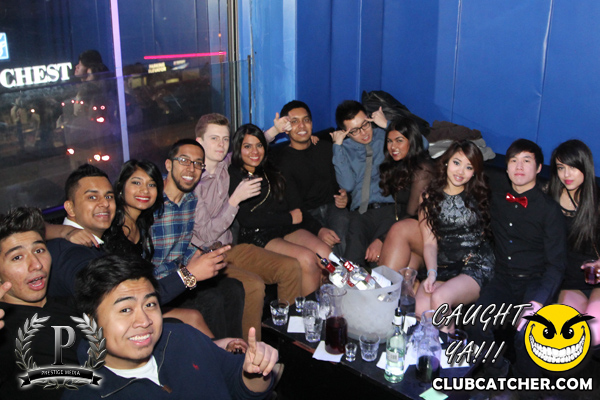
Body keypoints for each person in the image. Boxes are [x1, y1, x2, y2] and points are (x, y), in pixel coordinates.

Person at [65, 254, 277, 400]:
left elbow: (241, 387)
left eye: (150, 304)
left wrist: (256, 370)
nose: (144, 321)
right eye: (125, 310)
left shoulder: (181, 337)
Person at [192, 113, 302, 341]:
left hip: (230, 248)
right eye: (214, 139)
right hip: (205, 256)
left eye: (225, 139)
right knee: (254, 285)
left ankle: (289, 342)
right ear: (199, 142)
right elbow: (205, 235)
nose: (221, 145)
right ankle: (251, 352)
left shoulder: (223, 164)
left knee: (291, 267)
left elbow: (251, 147)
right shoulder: (194, 181)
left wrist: (275, 130)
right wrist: (235, 200)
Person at [468, 139, 567, 378]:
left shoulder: (549, 210)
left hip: (535, 282)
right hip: (502, 279)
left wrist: (538, 302)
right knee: (474, 320)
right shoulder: (495, 199)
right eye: (513, 160)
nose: (519, 166)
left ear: (539, 168)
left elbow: (556, 265)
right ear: (507, 166)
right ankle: (499, 372)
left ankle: (527, 388)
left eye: (526, 160)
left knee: (527, 333)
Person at [152, 139, 245, 339]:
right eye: (184, 160)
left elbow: (182, 246)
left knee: (234, 288)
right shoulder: (151, 199)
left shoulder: (190, 200)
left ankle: (235, 349)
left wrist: (201, 255)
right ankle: (218, 352)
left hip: (182, 276)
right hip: (159, 287)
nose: (191, 168)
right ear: (168, 165)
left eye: (197, 163)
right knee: (211, 300)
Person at [229, 124, 331, 296]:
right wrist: (288, 218)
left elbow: (294, 205)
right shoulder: (234, 174)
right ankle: (306, 310)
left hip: (283, 226)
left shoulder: (270, 167)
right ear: (238, 149)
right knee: (307, 260)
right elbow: (247, 219)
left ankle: (325, 304)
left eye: (259, 145)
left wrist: (318, 228)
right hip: (257, 233)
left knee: (326, 255)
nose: (254, 151)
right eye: (247, 146)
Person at [0, 207, 82, 400]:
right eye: (17, 257)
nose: (36, 264)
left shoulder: (75, 304)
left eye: (39, 250)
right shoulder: (5, 332)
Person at [414, 141, 494, 322]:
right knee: (420, 309)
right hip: (444, 265)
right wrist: (432, 272)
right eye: (456, 163)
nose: (460, 171)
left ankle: (450, 341)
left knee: (440, 299)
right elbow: (429, 242)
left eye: (468, 167)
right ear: (446, 162)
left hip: (475, 263)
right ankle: (441, 340)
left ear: (474, 172)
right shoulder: (428, 196)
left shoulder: (480, 194)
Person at [275, 100, 350, 255]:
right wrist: (319, 230)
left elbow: (339, 184)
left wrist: (345, 197)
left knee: (344, 233)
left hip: (332, 208)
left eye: (306, 120)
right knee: (327, 248)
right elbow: (294, 206)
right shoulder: (282, 162)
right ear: (285, 129)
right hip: (306, 214)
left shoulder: (326, 148)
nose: (302, 126)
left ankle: (346, 269)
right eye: (294, 122)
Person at [548, 140, 600, 346]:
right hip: (568, 280)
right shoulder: (549, 198)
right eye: (561, 168)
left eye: (572, 167)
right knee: (568, 334)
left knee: (594, 333)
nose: (566, 174)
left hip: (597, 279)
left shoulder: (596, 200)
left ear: (585, 166)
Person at [330, 100, 394, 266]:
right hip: (361, 213)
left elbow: (422, 144)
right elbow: (347, 185)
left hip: (389, 208)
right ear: (345, 132)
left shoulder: (386, 136)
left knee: (381, 265)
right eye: (354, 131)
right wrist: (337, 146)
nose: (363, 133)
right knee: (351, 265)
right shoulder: (344, 149)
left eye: (365, 124)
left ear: (369, 118)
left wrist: (388, 125)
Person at [377, 116, 434, 271]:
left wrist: (381, 239)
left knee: (398, 230)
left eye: (399, 140)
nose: (393, 147)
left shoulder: (423, 169)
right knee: (406, 270)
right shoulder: (399, 166)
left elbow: (412, 214)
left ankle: (378, 285)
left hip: (433, 236)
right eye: (389, 141)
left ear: (412, 142)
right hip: (415, 236)